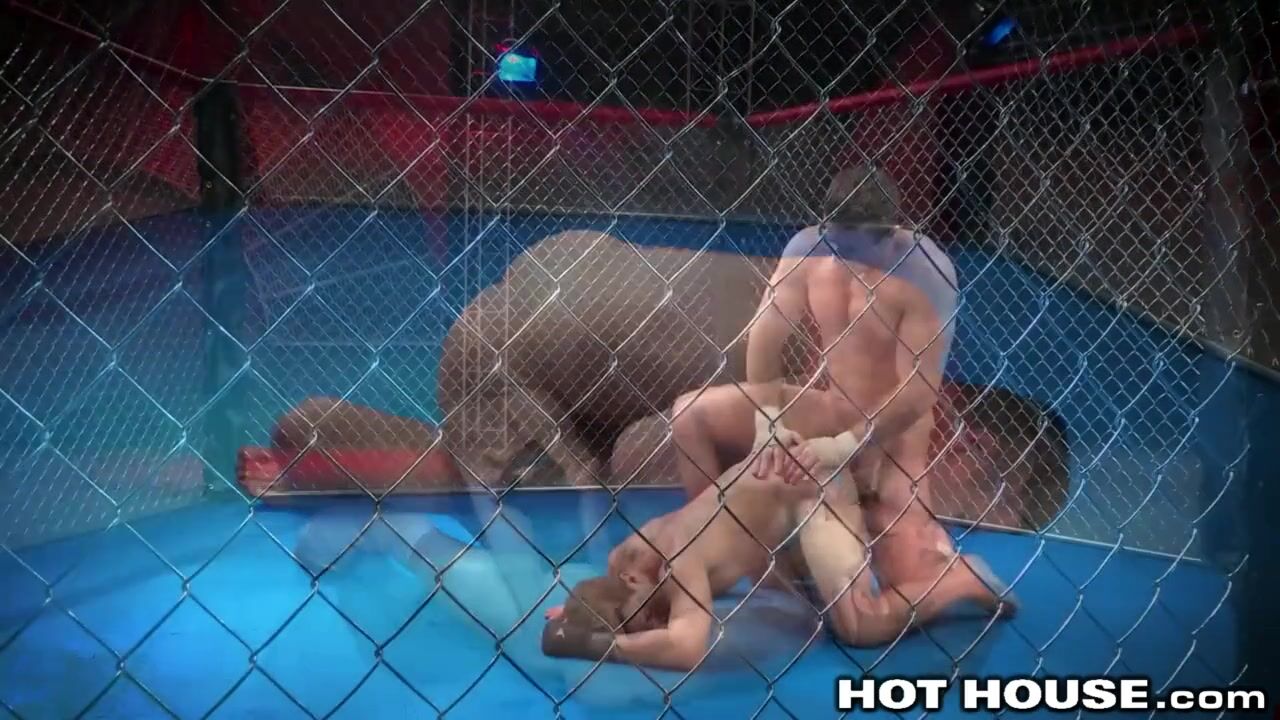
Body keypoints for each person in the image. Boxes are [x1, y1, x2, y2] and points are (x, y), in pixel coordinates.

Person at [666, 164, 1012, 633]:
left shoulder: (926, 273)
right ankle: (735, 551)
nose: (848, 258)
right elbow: (765, 337)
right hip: (831, 410)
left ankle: (963, 577)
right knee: (690, 416)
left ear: (891, 232)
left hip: (893, 444)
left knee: (875, 611)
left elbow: (917, 391)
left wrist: (844, 447)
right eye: (839, 244)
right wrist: (769, 422)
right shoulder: (808, 250)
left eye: (860, 249)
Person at [541, 441, 1013, 671]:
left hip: (814, 490)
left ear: (631, 582)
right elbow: (605, 600)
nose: (646, 627)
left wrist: (587, 645)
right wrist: (579, 615)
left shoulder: (675, 558)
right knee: (789, 599)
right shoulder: (624, 565)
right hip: (776, 506)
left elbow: (686, 649)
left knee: (859, 627)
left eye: (637, 620)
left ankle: (963, 578)